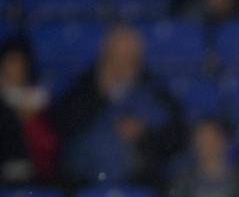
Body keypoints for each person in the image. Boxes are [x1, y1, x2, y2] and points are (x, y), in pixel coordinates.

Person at [52, 25, 185, 187]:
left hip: (136, 179)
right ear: (104, 55)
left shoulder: (154, 90)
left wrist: (142, 132)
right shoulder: (83, 87)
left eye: (128, 56)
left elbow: (176, 135)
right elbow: (62, 127)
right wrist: (99, 95)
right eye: (115, 55)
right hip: (86, 178)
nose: (122, 62)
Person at [0, 38, 57, 183]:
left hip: (34, 175)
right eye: (10, 62)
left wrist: (29, 119)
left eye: (20, 63)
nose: (15, 68)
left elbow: (49, 145)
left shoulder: (41, 100)